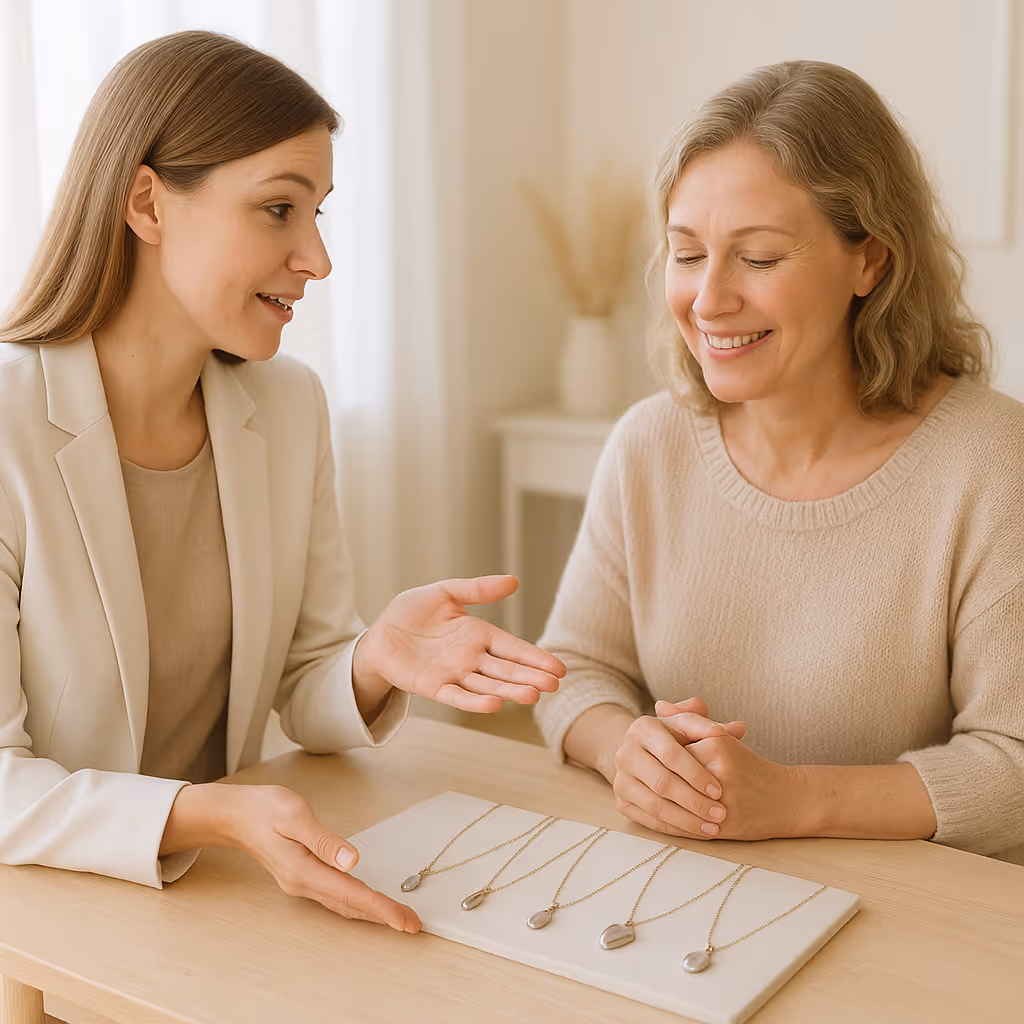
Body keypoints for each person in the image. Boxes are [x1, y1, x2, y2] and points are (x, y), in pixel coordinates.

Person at [0, 30, 565, 934]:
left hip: (221, 895)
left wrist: (375, 659)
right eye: (277, 211)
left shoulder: (288, 406)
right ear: (147, 202)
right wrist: (211, 812)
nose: (317, 258)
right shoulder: (7, 427)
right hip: (57, 918)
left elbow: (303, 677)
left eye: (319, 215)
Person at [535, 60, 1024, 861]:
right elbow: (573, 668)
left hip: (915, 925)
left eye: (758, 258)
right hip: (677, 897)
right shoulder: (647, 445)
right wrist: (624, 749)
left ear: (872, 262)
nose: (709, 299)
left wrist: (796, 799)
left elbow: (1014, 767)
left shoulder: (992, 461)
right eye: (687, 255)